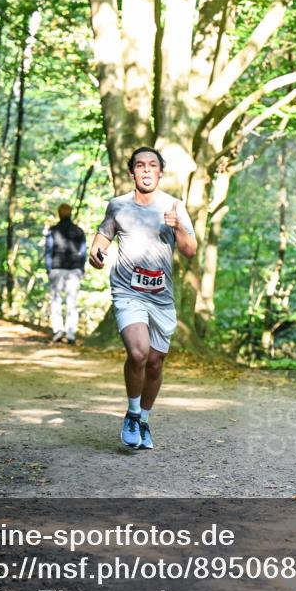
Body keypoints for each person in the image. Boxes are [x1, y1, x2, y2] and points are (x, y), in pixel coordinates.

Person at [89, 147, 197, 450]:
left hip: (161, 296)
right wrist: (96, 254)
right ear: (132, 172)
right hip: (128, 290)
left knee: (155, 363)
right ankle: (132, 415)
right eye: (140, 165)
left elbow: (190, 251)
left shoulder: (174, 206)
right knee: (138, 353)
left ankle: (145, 419)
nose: (146, 170)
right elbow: (102, 238)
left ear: (160, 172)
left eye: (152, 165)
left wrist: (178, 227)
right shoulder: (118, 205)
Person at [45, 203, 88, 344]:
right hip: (74, 269)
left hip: (56, 268)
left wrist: (48, 268)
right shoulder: (79, 231)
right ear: (70, 213)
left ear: (59, 214)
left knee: (56, 299)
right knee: (72, 301)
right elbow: (83, 253)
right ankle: (71, 333)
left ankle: (58, 330)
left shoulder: (53, 231)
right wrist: (81, 268)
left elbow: (49, 251)